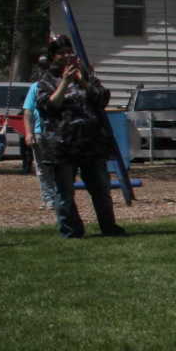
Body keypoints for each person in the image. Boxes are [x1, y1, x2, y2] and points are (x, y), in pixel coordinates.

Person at [35, 37, 126, 239]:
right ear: (53, 57)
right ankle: (71, 231)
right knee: (65, 192)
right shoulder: (46, 80)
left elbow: (102, 98)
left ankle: (109, 227)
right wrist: (65, 83)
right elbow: (48, 106)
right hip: (62, 144)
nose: (67, 56)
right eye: (62, 53)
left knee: (101, 189)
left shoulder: (85, 75)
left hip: (91, 143)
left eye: (70, 51)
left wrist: (82, 81)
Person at [22, 60, 61, 210]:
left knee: (60, 167)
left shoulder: (61, 85)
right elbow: (28, 111)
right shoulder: (35, 87)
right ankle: (48, 198)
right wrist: (28, 132)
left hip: (59, 133)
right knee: (43, 168)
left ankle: (59, 197)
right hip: (40, 133)